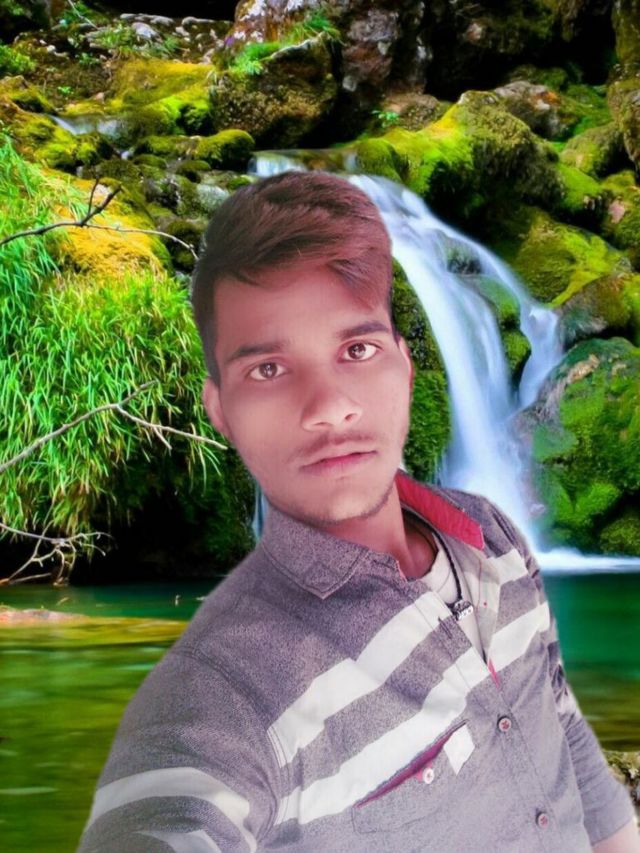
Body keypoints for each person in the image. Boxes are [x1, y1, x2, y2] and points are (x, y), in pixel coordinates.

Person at [78, 170, 638, 852]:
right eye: (268, 369)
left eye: (357, 349)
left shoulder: (491, 536)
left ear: (404, 364)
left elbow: (562, 728)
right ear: (220, 410)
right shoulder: (226, 693)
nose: (330, 408)